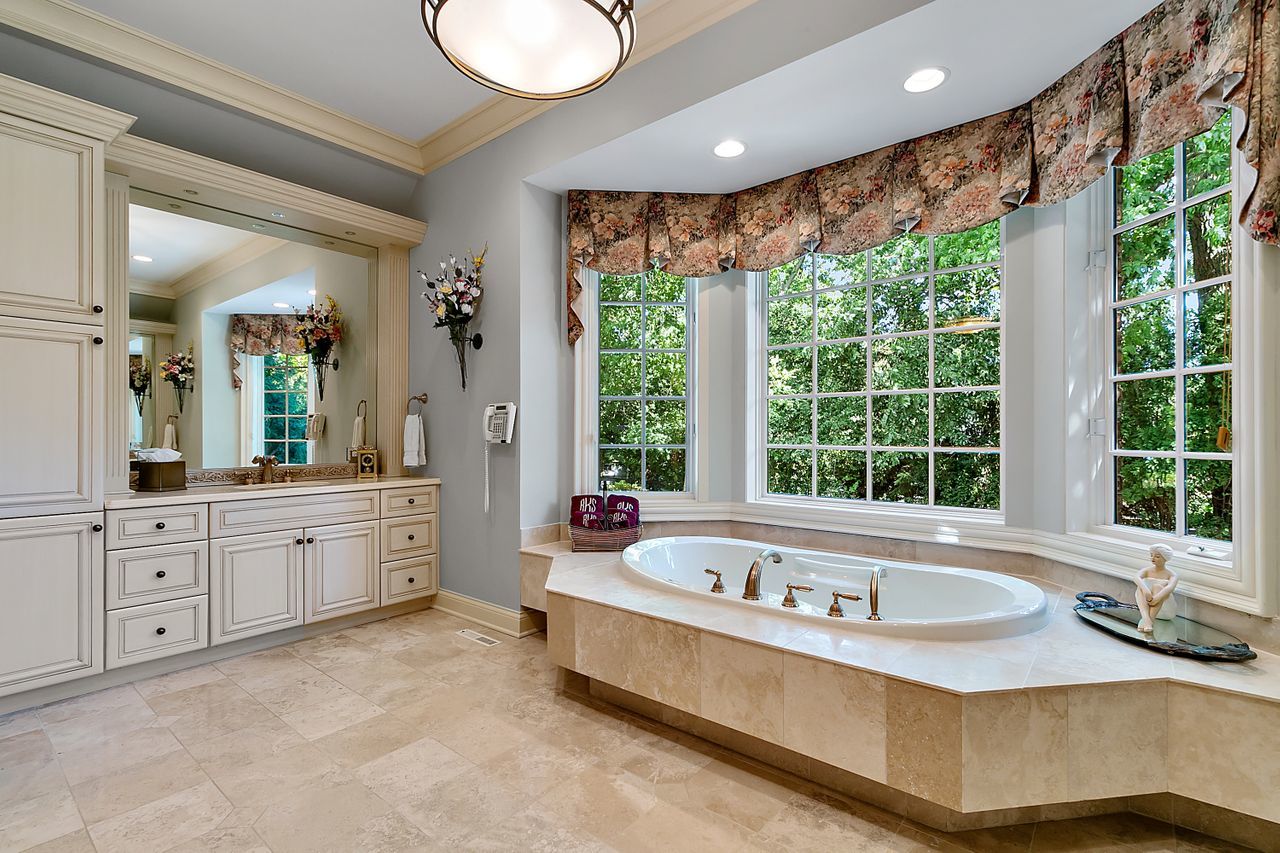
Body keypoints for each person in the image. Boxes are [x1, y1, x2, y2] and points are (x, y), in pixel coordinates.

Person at [1134, 544, 1178, 633]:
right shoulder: (1147, 571)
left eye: (1157, 556)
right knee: (1141, 587)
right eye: (1151, 555)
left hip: (1165, 608)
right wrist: (1146, 591)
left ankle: (1149, 621)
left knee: (1158, 587)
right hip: (1147, 605)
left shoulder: (1172, 574)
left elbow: (1169, 588)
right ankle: (1147, 620)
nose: (1153, 558)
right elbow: (1136, 577)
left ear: (1165, 558)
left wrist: (1156, 599)